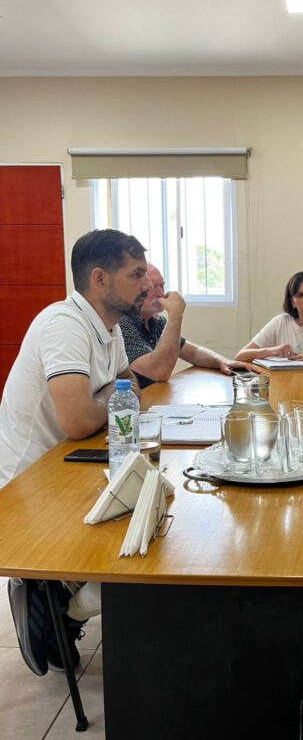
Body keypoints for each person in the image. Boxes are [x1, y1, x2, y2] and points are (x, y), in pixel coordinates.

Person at [0, 228, 150, 674]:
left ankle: (65, 601)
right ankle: (52, 592)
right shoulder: (63, 324)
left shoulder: (109, 326)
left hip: (71, 463)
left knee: (154, 516)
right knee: (140, 550)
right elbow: (79, 419)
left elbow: (129, 387)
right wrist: (110, 398)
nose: (146, 284)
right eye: (136, 274)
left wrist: (107, 396)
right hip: (28, 489)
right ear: (100, 279)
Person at [120, 264, 252, 388]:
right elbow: (159, 371)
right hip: (132, 402)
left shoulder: (156, 321)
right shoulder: (123, 323)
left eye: (162, 286)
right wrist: (175, 315)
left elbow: (194, 353)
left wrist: (222, 361)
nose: (161, 293)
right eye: (153, 287)